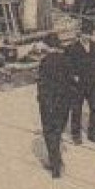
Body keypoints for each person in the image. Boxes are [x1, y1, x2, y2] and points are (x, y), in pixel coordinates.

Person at [35, 35, 76, 178]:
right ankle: (56, 160)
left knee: (49, 132)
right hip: (63, 103)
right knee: (57, 132)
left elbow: (42, 84)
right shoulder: (67, 61)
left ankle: (55, 165)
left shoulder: (45, 62)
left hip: (48, 103)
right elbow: (72, 83)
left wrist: (41, 99)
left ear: (48, 47)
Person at [67, 22, 95, 145]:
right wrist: (73, 75)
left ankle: (93, 133)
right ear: (80, 34)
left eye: (89, 34)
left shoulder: (94, 46)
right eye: (85, 34)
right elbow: (67, 65)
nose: (87, 37)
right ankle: (76, 134)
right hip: (78, 83)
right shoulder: (73, 48)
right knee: (77, 108)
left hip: (93, 81)